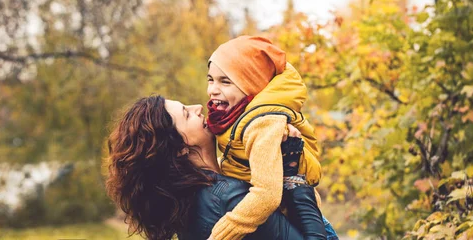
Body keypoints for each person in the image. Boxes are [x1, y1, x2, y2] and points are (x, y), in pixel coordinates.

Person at [105, 95, 327, 240]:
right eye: (186, 114)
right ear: (180, 147)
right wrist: (293, 176)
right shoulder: (231, 199)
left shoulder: (188, 204)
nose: (198, 108)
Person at [206, 35, 338, 240]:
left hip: (302, 226)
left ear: (251, 84)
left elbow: (267, 194)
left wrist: (223, 233)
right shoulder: (239, 119)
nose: (212, 90)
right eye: (210, 79)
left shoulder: (261, 123)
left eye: (225, 82)